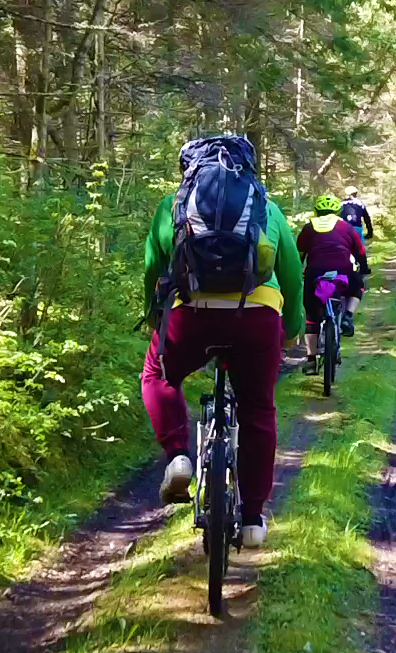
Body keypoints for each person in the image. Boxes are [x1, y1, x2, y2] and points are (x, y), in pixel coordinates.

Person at [141, 137, 304, 548]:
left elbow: (153, 270)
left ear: (189, 171)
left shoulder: (172, 206)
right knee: (257, 409)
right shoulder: (266, 208)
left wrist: (155, 319)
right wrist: (293, 328)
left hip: (190, 317)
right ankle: (252, 520)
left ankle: (178, 456)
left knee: (157, 375)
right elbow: (291, 276)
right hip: (256, 317)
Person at [297, 194, 369, 374]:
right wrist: (364, 267)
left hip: (315, 272)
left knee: (311, 317)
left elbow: (300, 255)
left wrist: (300, 271)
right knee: (357, 287)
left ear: (317, 211)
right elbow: (360, 251)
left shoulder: (308, 227)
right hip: (342, 269)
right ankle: (348, 316)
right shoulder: (346, 227)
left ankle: (311, 361)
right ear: (337, 211)